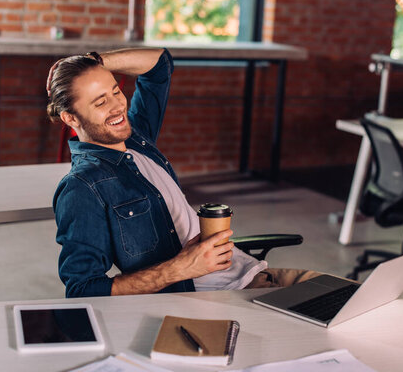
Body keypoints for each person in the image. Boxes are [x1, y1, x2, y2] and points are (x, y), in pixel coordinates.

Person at [47, 48, 320, 298]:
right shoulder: (82, 187)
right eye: (99, 102)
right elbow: (83, 290)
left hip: (253, 272)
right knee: (352, 317)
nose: (118, 105)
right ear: (71, 118)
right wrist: (181, 268)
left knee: (354, 300)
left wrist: (96, 61)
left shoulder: (136, 138)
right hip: (221, 298)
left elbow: (160, 66)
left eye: (116, 91)